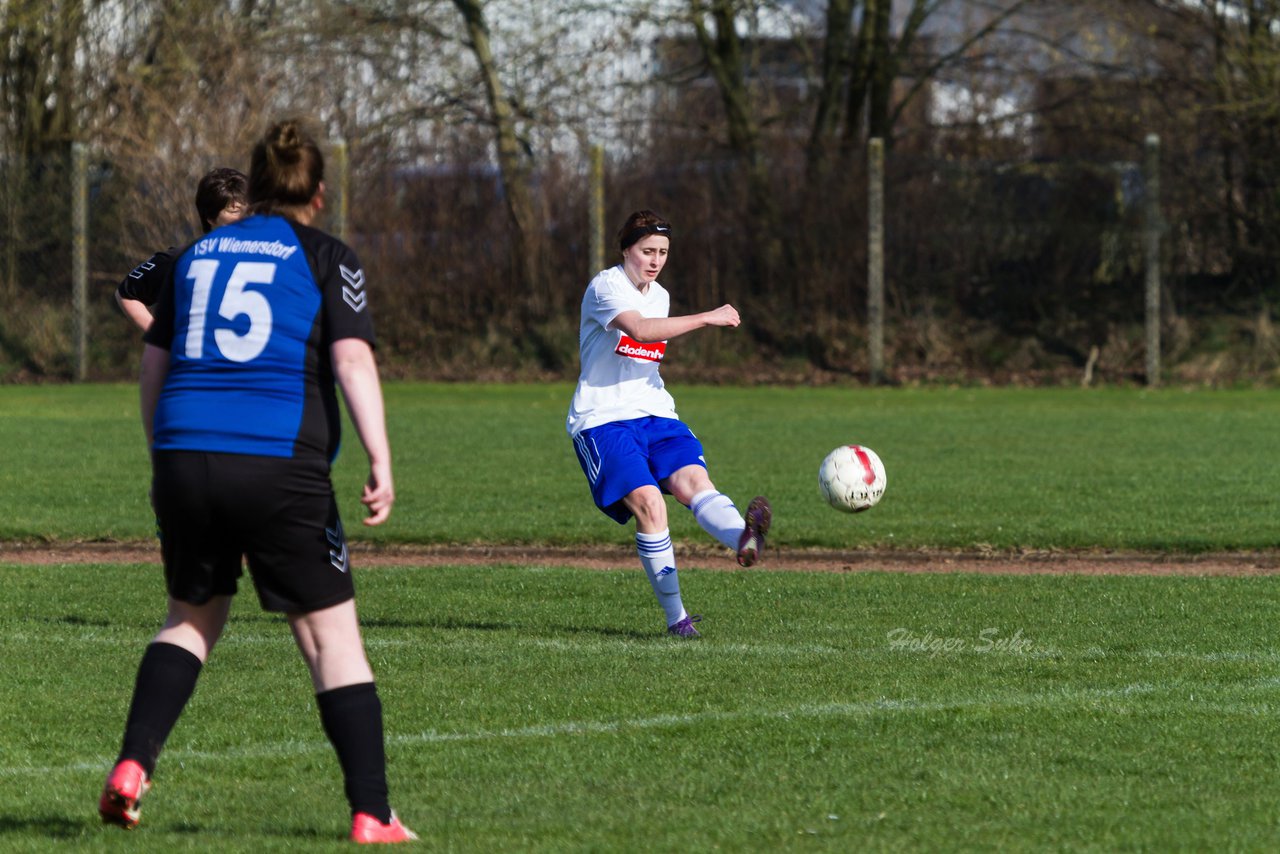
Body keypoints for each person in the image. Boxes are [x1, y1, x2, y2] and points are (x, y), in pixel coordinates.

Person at [98, 119, 415, 844]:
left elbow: (155, 365)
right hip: (277, 462)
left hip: (183, 453)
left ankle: (130, 768)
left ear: (257, 181)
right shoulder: (325, 254)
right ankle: (373, 813)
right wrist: (381, 457)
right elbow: (353, 363)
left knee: (191, 615)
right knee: (331, 638)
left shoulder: (197, 255)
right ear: (319, 189)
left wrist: (164, 456)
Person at [566, 209, 772, 638]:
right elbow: (639, 331)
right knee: (651, 504)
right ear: (626, 249)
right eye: (646, 251)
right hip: (604, 420)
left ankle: (744, 538)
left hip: (656, 413)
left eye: (662, 252)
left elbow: (649, 328)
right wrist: (706, 317)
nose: (655, 260)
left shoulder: (660, 295)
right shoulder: (606, 286)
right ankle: (677, 619)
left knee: (695, 483)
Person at [115, 167, 249, 333]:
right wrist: (162, 340)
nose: (245, 217)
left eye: (249, 209)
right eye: (234, 210)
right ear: (210, 217)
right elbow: (128, 294)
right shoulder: (186, 257)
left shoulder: (273, 255)